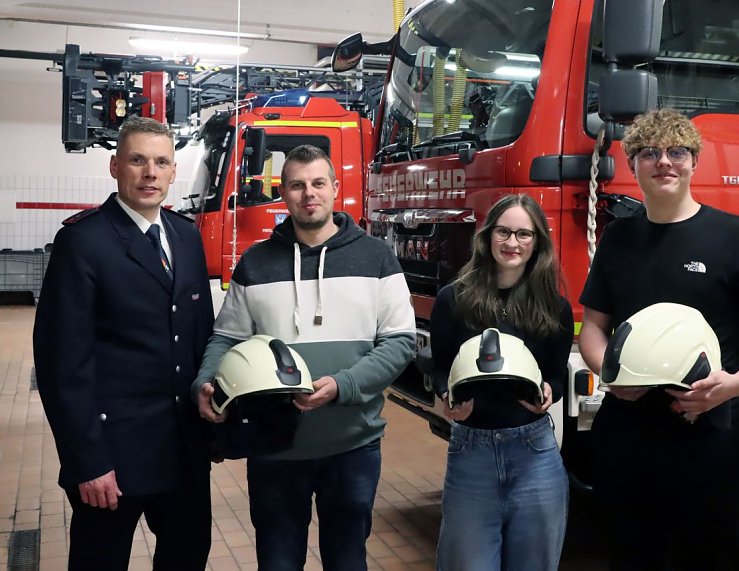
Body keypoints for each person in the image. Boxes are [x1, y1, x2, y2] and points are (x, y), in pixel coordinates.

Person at [578, 108, 739, 570]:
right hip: (631, 435)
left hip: (715, 436)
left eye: (677, 151)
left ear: (694, 162)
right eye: (649, 153)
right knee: (634, 554)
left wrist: (730, 387)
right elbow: (593, 327)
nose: (664, 162)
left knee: (714, 555)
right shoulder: (619, 239)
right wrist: (609, 374)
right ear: (633, 164)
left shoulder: (737, 237)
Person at [193, 144, 416, 571]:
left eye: (317, 183)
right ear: (283, 193)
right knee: (277, 562)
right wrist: (206, 381)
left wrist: (343, 385)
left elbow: (400, 342)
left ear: (335, 189)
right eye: (296, 185)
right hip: (274, 446)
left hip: (352, 443)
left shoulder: (376, 258)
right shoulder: (254, 264)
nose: (308, 193)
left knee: (347, 561)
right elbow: (225, 339)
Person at [33, 115, 215, 570]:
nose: (150, 173)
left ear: (174, 171)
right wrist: (86, 461)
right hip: (112, 456)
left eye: (161, 162)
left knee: (187, 558)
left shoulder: (187, 237)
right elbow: (62, 366)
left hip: (183, 452)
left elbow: (199, 338)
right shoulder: (84, 242)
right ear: (115, 167)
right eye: (137, 160)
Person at [430, 194, 573, 571]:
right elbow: (438, 367)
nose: (512, 243)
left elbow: (557, 373)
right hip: (471, 450)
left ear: (538, 241)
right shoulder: (454, 298)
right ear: (487, 236)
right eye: (504, 232)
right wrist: (447, 394)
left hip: (534, 451)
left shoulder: (553, 305)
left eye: (524, 234)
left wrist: (550, 392)